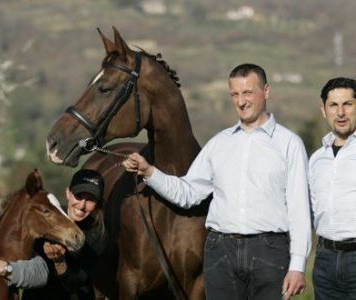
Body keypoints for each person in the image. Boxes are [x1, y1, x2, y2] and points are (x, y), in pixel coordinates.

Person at [123, 63, 312, 300]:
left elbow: (299, 209)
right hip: (220, 252)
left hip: (269, 252)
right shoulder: (218, 144)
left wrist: (297, 265)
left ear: (266, 91)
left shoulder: (289, 144)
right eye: (235, 94)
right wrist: (149, 172)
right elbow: (189, 192)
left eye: (247, 92)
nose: (241, 101)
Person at [22, 168, 108, 300]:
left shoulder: (98, 233)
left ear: (99, 204)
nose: (82, 205)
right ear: (68, 193)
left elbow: (77, 281)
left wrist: (59, 262)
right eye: (78, 196)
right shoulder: (47, 216)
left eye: (90, 199)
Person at [309, 77, 356, 299]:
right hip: (324, 260)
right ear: (323, 110)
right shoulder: (316, 159)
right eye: (333, 105)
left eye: (347, 104)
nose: (341, 113)